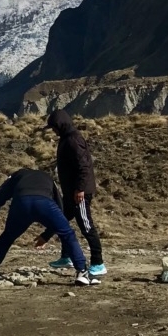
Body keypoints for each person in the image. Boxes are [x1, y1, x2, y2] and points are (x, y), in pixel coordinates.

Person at [0, 167, 100, 287]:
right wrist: (47, 235)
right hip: (44, 203)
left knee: (7, 237)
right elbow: (60, 208)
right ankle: (82, 272)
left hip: (21, 204)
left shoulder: (17, 176)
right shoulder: (48, 178)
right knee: (67, 233)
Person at [46, 109, 106, 276]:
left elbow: (83, 167)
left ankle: (98, 262)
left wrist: (79, 189)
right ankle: (67, 257)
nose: (53, 131)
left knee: (86, 226)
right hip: (71, 192)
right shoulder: (67, 138)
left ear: (61, 126)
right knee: (62, 222)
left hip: (79, 193)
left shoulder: (73, 140)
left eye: (54, 127)